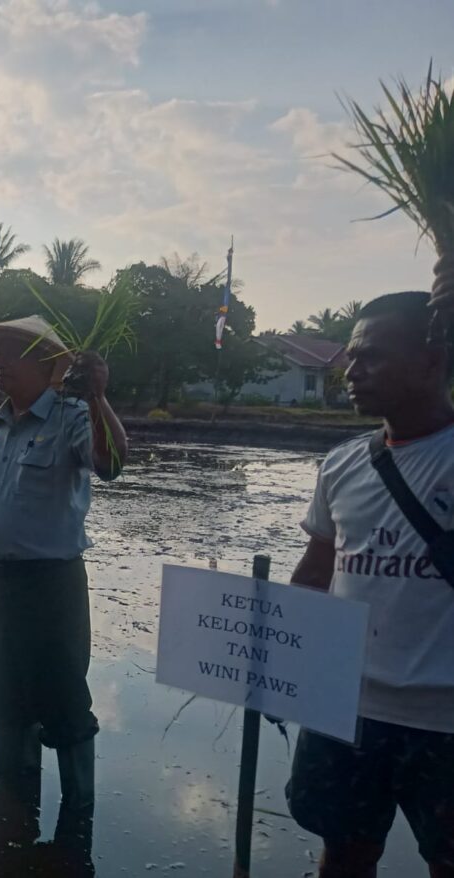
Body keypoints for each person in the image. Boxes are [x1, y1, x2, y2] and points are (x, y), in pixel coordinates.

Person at [0, 315, 127, 851]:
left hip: (51, 588)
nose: (0, 363)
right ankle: (12, 803)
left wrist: (99, 397)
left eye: (13, 353)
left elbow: (112, 463)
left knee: (62, 696)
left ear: (46, 366)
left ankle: (78, 819)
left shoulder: (71, 418)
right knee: (1, 694)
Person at [286, 292, 454, 878]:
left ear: (434, 363)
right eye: (352, 358)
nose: (352, 372)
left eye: (373, 357)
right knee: (345, 852)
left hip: (445, 720)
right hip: (347, 709)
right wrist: (276, 668)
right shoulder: (342, 466)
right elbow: (314, 573)